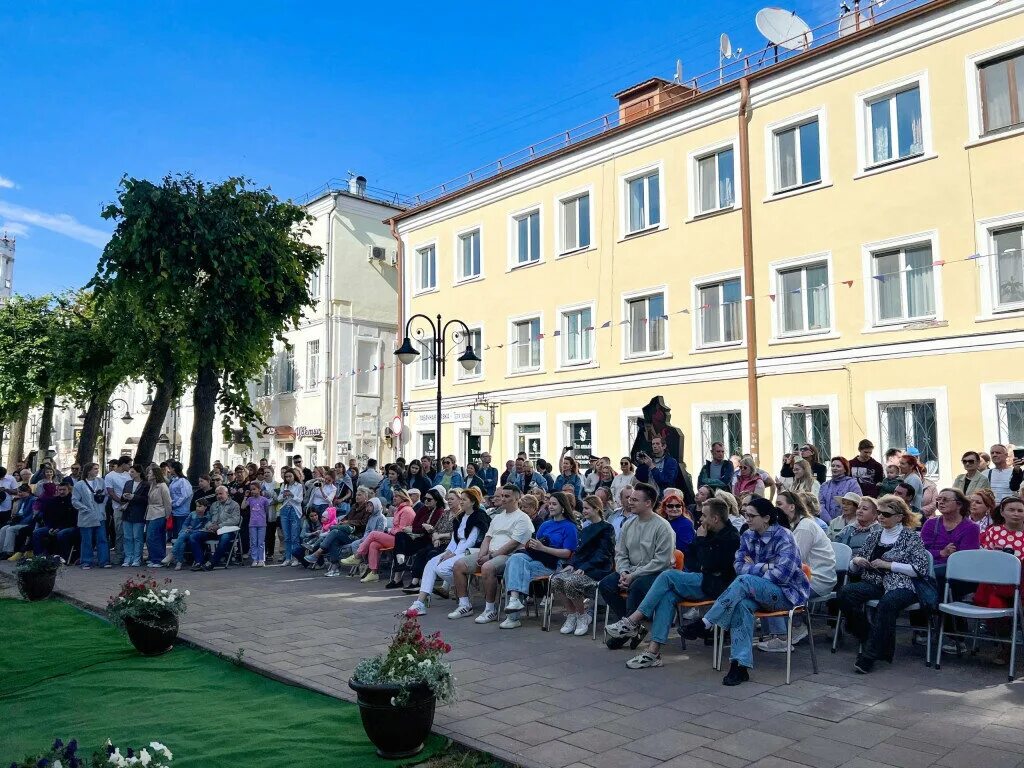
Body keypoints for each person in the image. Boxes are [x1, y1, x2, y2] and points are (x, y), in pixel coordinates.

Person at [682, 497, 810, 685]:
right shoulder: (748, 536)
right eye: (745, 515)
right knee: (741, 604)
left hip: (786, 594)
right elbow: (738, 565)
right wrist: (765, 567)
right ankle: (739, 666)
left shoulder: (784, 536)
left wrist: (755, 570)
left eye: (751, 515)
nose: (747, 519)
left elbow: (782, 575)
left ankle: (706, 623)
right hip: (756, 593)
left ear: (766, 518)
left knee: (744, 580)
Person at [608, 496, 741, 668]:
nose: (700, 519)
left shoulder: (731, 538)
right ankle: (652, 652)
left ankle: (633, 621)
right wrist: (701, 545)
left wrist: (701, 540)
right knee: (668, 596)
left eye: (704, 516)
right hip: (702, 579)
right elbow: (693, 562)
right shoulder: (707, 532)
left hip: (718, 587)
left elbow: (709, 565)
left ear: (715, 518)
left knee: (667, 575)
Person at [837, 495, 931, 674]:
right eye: (879, 512)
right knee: (845, 593)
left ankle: (869, 656)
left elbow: (920, 568)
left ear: (899, 517)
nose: (880, 516)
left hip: (902, 584)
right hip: (874, 581)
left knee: (887, 604)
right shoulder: (874, 535)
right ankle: (869, 635)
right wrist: (856, 561)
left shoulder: (911, 537)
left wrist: (889, 565)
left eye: (886, 514)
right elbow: (854, 567)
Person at [757, 491, 837, 653]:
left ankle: (783, 637)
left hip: (818, 579)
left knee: (773, 589)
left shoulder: (805, 527)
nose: (775, 508)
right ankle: (785, 630)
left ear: (792, 507)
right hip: (805, 576)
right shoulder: (794, 526)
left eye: (779, 504)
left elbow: (791, 561)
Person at [599, 482, 675, 650]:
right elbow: (620, 554)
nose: (630, 502)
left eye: (635, 500)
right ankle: (632, 627)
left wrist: (633, 575)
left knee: (637, 586)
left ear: (648, 503)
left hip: (656, 573)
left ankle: (626, 629)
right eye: (630, 499)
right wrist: (624, 571)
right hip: (630, 571)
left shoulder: (663, 527)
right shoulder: (628, 524)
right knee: (606, 584)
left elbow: (661, 561)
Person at [448, 485, 534, 623]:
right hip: (490, 553)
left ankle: (490, 609)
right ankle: (464, 605)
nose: (503, 499)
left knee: (487, 567)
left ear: (517, 498)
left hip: (509, 556)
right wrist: (482, 554)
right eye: (502, 496)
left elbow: (513, 544)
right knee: (458, 565)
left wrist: (490, 557)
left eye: (507, 496)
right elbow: (487, 538)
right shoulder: (498, 517)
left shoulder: (522, 518)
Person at [500, 492, 580, 629]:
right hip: (537, 558)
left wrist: (543, 548)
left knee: (515, 568)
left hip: (555, 563)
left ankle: (513, 617)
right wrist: (532, 545)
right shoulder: (545, 525)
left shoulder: (570, 527)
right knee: (514, 559)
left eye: (554, 504)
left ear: (563, 507)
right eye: (549, 504)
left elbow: (568, 553)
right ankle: (514, 601)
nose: (550, 506)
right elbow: (537, 546)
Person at [406, 489, 490, 616]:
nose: (461, 502)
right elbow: (455, 539)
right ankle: (420, 603)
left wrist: (454, 554)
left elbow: (471, 541)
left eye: (464, 500)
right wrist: (448, 552)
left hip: (471, 550)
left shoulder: (479, 515)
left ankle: (467, 591)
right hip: (457, 549)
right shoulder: (460, 517)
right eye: (460, 499)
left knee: (442, 569)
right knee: (431, 563)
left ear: (472, 502)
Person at [550, 495, 616, 637]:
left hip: (599, 569)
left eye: (587, 508)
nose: (583, 511)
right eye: (583, 508)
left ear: (596, 509)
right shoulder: (585, 529)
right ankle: (572, 614)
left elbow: (603, 554)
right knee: (557, 580)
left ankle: (582, 616)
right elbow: (579, 552)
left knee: (571, 582)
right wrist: (572, 565)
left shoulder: (607, 528)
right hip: (582, 567)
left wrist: (585, 567)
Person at [340, 489, 417, 582]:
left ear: (403, 498)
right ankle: (374, 573)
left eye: (397, 496)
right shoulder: (399, 510)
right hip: (394, 537)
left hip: (402, 540)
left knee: (373, 534)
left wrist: (390, 530)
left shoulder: (407, 511)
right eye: (394, 496)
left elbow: (402, 530)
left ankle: (358, 556)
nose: (394, 498)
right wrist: (390, 530)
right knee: (373, 544)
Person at [921, 488, 980, 603]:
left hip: (958, 575)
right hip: (930, 569)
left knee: (937, 581)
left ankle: (947, 617)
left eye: (945, 500)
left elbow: (966, 558)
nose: (941, 502)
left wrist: (948, 557)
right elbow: (920, 551)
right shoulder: (930, 523)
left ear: (959, 505)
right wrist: (941, 553)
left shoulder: (971, 528)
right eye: (939, 499)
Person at [386, 487, 447, 588]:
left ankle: (406, 579)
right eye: (425, 499)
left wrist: (419, 528)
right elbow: (416, 525)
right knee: (399, 536)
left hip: (429, 540)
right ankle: (398, 574)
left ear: (436, 500)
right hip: (419, 538)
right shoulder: (423, 508)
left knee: (421, 552)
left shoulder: (439, 511)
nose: (426, 501)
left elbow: (426, 529)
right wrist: (421, 527)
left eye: (429, 499)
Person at [974, 496, 1024, 609]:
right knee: (995, 603)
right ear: (1002, 512)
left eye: (1020, 510)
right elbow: (984, 557)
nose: (1016, 513)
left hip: (1021, 580)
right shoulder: (993, 531)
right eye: (1011, 510)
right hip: (995, 579)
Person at [189, 485, 242, 571]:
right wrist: (209, 526)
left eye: (221, 494)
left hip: (227, 531)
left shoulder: (234, 505)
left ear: (227, 494)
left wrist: (219, 526)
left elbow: (235, 520)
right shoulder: (214, 505)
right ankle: (199, 562)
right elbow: (209, 519)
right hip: (213, 531)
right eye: (217, 494)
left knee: (224, 538)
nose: (219, 496)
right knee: (193, 537)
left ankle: (211, 563)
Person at [72, 463, 110, 570]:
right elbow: (75, 500)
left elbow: (106, 495)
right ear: (88, 470)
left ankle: (104, 560)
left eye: (97, 469)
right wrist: (85, 508)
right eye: (95, 469)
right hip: (86, 516)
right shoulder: (80, 484)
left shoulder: (101, 481)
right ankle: (86, 561)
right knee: (87, 539)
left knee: (102, 538)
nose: (97, 471)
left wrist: (102, 504)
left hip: (99, 514)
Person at [636, 436, 694, 503]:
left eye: (657, 444)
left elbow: (667, 481)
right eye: (653, 444)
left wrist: (652, 466)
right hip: (649, 497)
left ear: (664, 446)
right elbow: (640, 478)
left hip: (663, 498)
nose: (655, 446)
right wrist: (641, 464)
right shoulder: (650, 460)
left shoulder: (671, 462)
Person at [30, 481, 76, 560]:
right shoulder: (53, 501)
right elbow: (47, 517)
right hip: (53, 526)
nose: (61, 492)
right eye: (60, 490)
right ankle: (39, 557)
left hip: (70, 526)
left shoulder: (73, 501)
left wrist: (59, 528)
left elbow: (72, 519)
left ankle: (63, 557)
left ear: (69, 490)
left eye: (64, 490)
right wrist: (51, 527)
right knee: (37, 532)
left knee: (61, 534)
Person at [143, 466, 173, 568]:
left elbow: (167, 502)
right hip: (150, 513)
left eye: (150, 473)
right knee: (153, 537)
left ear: (155, 475)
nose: (148, 475)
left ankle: (159, 559)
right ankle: (153, 557)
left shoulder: (162, 486)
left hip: (159, 513)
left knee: (153, 536)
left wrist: (167, 516)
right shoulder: (152, 485)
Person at [104, 457, 131, 567]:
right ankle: (119, 554)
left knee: (129, 532)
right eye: (128, 464)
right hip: (118, 507)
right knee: (119, 531)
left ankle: (129, 554)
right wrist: (121, 502)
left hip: (130, 506)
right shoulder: (110, 476)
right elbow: (110, 491)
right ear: (123, 464)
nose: (130, 467)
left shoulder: (128, 475)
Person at [120, 465, 149, 568]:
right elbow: (122, 497)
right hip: (127, 513)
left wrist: (134, 497)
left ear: (138, 473)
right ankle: (128, 557)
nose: (130, 474)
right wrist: (123, 497)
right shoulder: (128, 483)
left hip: (139, 513)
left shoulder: (146, 484)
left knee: (137, 537)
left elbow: (146, 500)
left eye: (132, 472)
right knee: (127, 537)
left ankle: (137, 558)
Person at [819, 457, 861, 523]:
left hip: (848, 522)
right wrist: (830, 522)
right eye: (833, 466)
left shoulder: (852, 483)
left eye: (838, 466)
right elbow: (821, 505)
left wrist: (842, 521)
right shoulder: (824, 485)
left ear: (845, 469)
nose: (835, 468)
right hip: (827, 524)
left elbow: (857, 502)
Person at [276, 468, 305, 566]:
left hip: (294, 510)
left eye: (290, 476)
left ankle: (295, 558)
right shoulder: (284, 485)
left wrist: (292, 495)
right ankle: (288, 558)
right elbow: (279, 499)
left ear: (294, 476)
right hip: (285, 510)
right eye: (286, 477)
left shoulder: (299, 486)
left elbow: (299, 500)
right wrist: (283, 495)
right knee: (287, 536)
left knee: (294, 536)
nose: (288, 478)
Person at [243, 481, 270, 567]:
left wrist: (265, 519)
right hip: (252, 524)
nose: (253, 491)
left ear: (259, 489)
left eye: (254, 489)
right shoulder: (250, 499)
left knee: (261, 542)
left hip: (262, 524)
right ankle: (255, 559)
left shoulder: (264, 500)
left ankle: (261, 559)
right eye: (251, 490)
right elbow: (243, 506)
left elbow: (267, 511)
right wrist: (245, 496)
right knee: (254, 542)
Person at [166, 461, 193, 544]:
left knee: (180, 534)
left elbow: (185, 495)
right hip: (175, 512)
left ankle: (181, 554)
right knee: (175, 535)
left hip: (182, 512)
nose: (169, 470)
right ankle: (176, 553)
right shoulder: (174, 480)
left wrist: (175, 504)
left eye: (170, 468)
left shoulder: (183, 481)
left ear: (174, 469)